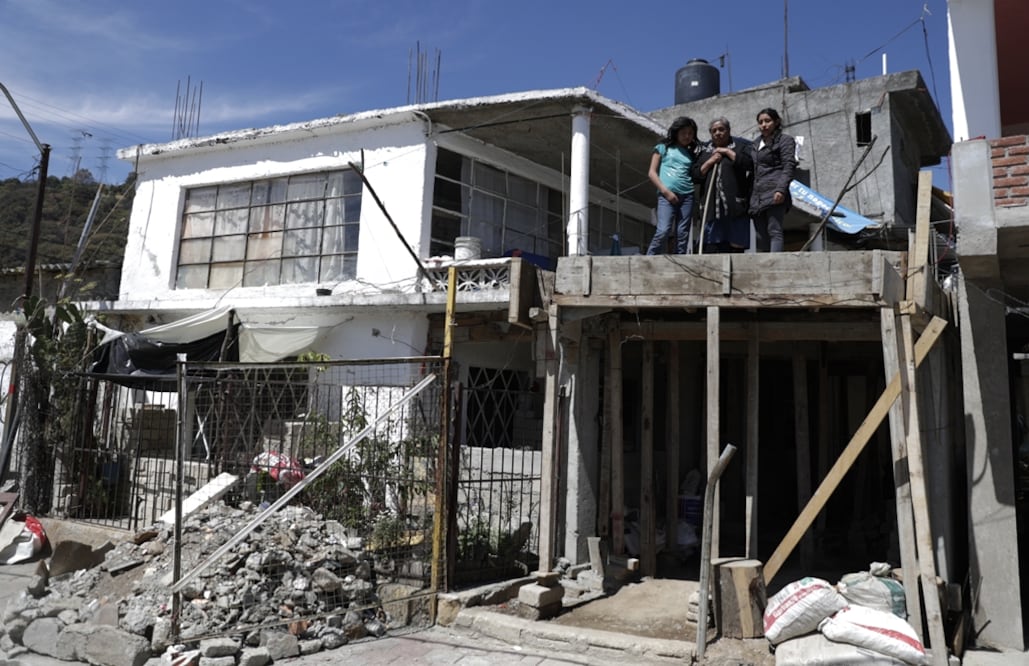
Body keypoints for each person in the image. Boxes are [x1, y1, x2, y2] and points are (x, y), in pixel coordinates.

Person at [692, 117, 753, 253]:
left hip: (735, 208)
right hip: (711, 209)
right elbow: (695, 176)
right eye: (714, 131)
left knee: (735, 250)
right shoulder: (704, 151)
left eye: (721, 129)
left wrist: (727, 152)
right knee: (711, 248)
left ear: (728, 130)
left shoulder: (740, 146)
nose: (717, 133)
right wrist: (710, 161)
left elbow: (749, 164)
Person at [646, 116, 699, 255]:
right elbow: (652, 173)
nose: (687, 136)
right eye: (684, 132)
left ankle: (680, 260)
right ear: (676, 132)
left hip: (687, 196)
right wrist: (666, 192)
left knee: (682, 233)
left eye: (690, 133)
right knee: (663, 230)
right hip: (666, 195)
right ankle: (648, 258)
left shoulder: (692, 153)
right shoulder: (663, 147)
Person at [749, 108, 797, 252]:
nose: (763, 125)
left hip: (774, 191)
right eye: (760, 122)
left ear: (776, 122)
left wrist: (781, 189)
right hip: (757, 196)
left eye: (767, 121)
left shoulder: (785, 140)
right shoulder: (755, 143)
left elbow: (789, 166)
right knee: (760, 235)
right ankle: (765, 264)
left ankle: (776, 263)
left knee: (774, 230)